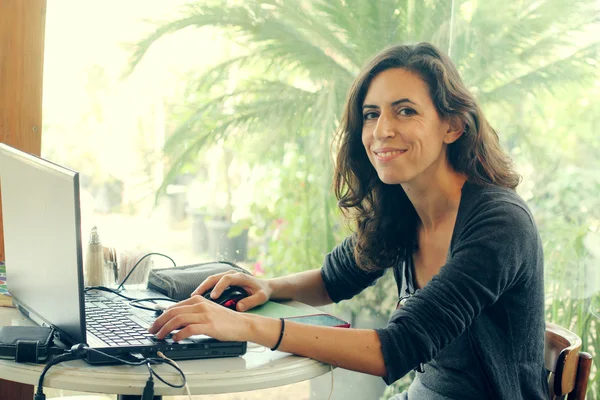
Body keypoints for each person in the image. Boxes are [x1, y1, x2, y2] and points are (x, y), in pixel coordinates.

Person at [149, 42, 548, 399]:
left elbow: (396, 349)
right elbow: (333, 279)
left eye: (405, 111)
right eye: (371, 114)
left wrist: (245, 327)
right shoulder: (403, 208)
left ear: (453, 126)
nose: (382, 130)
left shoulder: (499, 222)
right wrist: (267, 286)